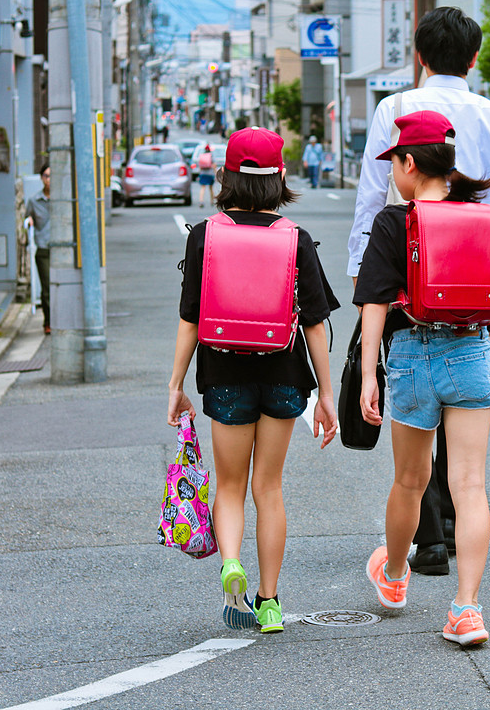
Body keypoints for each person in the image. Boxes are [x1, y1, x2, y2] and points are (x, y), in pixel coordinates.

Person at [348, 6, 490, 577]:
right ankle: (455, 564)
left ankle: (429, 539)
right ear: (473, 59)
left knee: (416, 403)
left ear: (419, 56)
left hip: (404, 278)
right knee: (463, 396)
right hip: (475, 282)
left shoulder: (394, 108)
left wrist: (360, 270)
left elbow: (372, 198)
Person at [167, 127, 340, 634]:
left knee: (229, 485)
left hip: (223, 373)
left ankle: (230, 564)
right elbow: (314, 326)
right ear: (280, 178)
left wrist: (176, 384)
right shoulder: (296, 239)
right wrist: (326, 395)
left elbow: (190, 319)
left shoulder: (205, 235)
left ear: (225, 176)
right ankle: (269, 602)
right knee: (269, 486)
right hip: (284, 375)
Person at [354, 110, 490, 647]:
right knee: (470, 486)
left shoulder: (395, 222)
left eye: (393, 161)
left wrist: (369, 374)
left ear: (410, 163)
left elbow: (374, 302)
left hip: (413, 354)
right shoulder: (482, 217)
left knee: (410, 482)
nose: (392, 171)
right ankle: (466, 610)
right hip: (470, 352)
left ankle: (394, 577)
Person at [25, 163, 52, 334]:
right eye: (46, 176)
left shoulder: (63, 199)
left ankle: (62, 320)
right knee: (48, 286)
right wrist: (29, 221)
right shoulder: (34, 201)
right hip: (43, 248)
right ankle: (48, 321)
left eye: (52, 176)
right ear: (41, 178)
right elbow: (27, 218)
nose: (49, 180)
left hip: (63, 249)